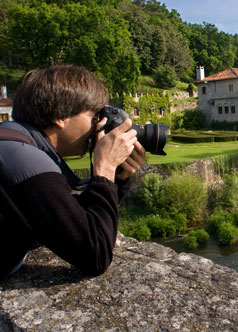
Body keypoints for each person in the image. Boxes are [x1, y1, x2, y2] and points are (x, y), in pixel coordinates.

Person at [0, 65, 145, 280]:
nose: (99, 126)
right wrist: (104, 169)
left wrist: (118, 176)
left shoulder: (16, 143)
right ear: (61, 116)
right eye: (95, 116)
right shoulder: (25, 159)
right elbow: (94, 255)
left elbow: (71, 219)